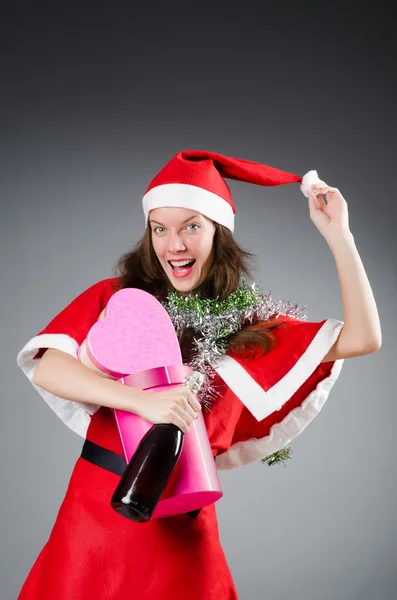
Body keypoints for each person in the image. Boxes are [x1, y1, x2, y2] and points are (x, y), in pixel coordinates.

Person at [16, 150, 381, 599]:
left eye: (192, 226)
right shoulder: (118, 299)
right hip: (94, 516)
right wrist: (140, 400)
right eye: (160, 229)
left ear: (218, 232)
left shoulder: (248, 329)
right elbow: (50, 367)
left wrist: (339, 234)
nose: (175, 245)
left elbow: (365, 337)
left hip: (182, 520)